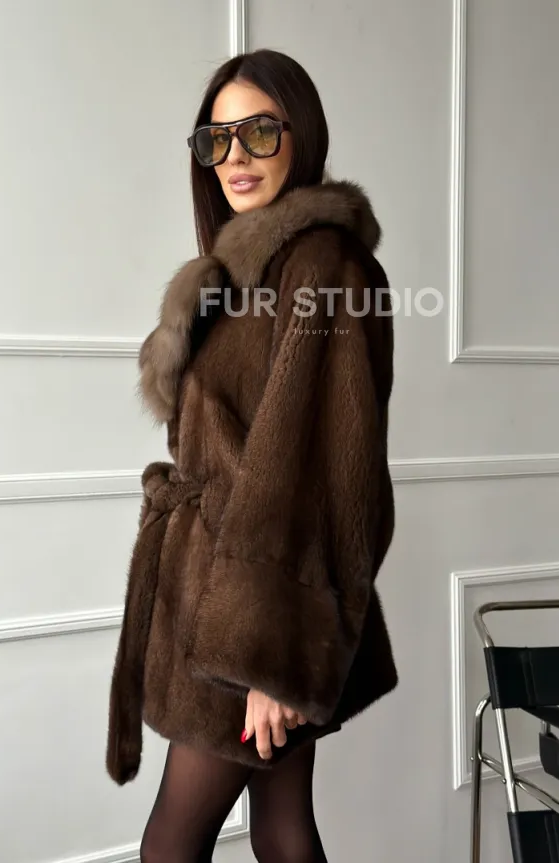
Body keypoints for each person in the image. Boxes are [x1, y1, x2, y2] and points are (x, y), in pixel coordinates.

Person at [105, 48, 398, 863]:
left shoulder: (324, 266)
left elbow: (320, 468)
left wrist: (270, 656)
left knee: (172, 844)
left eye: (259, 132)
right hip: (227, 597)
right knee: (282, 827)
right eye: (217, 139)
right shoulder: (245, 272)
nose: (235, 156)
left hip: (252, 614)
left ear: (301, 136)